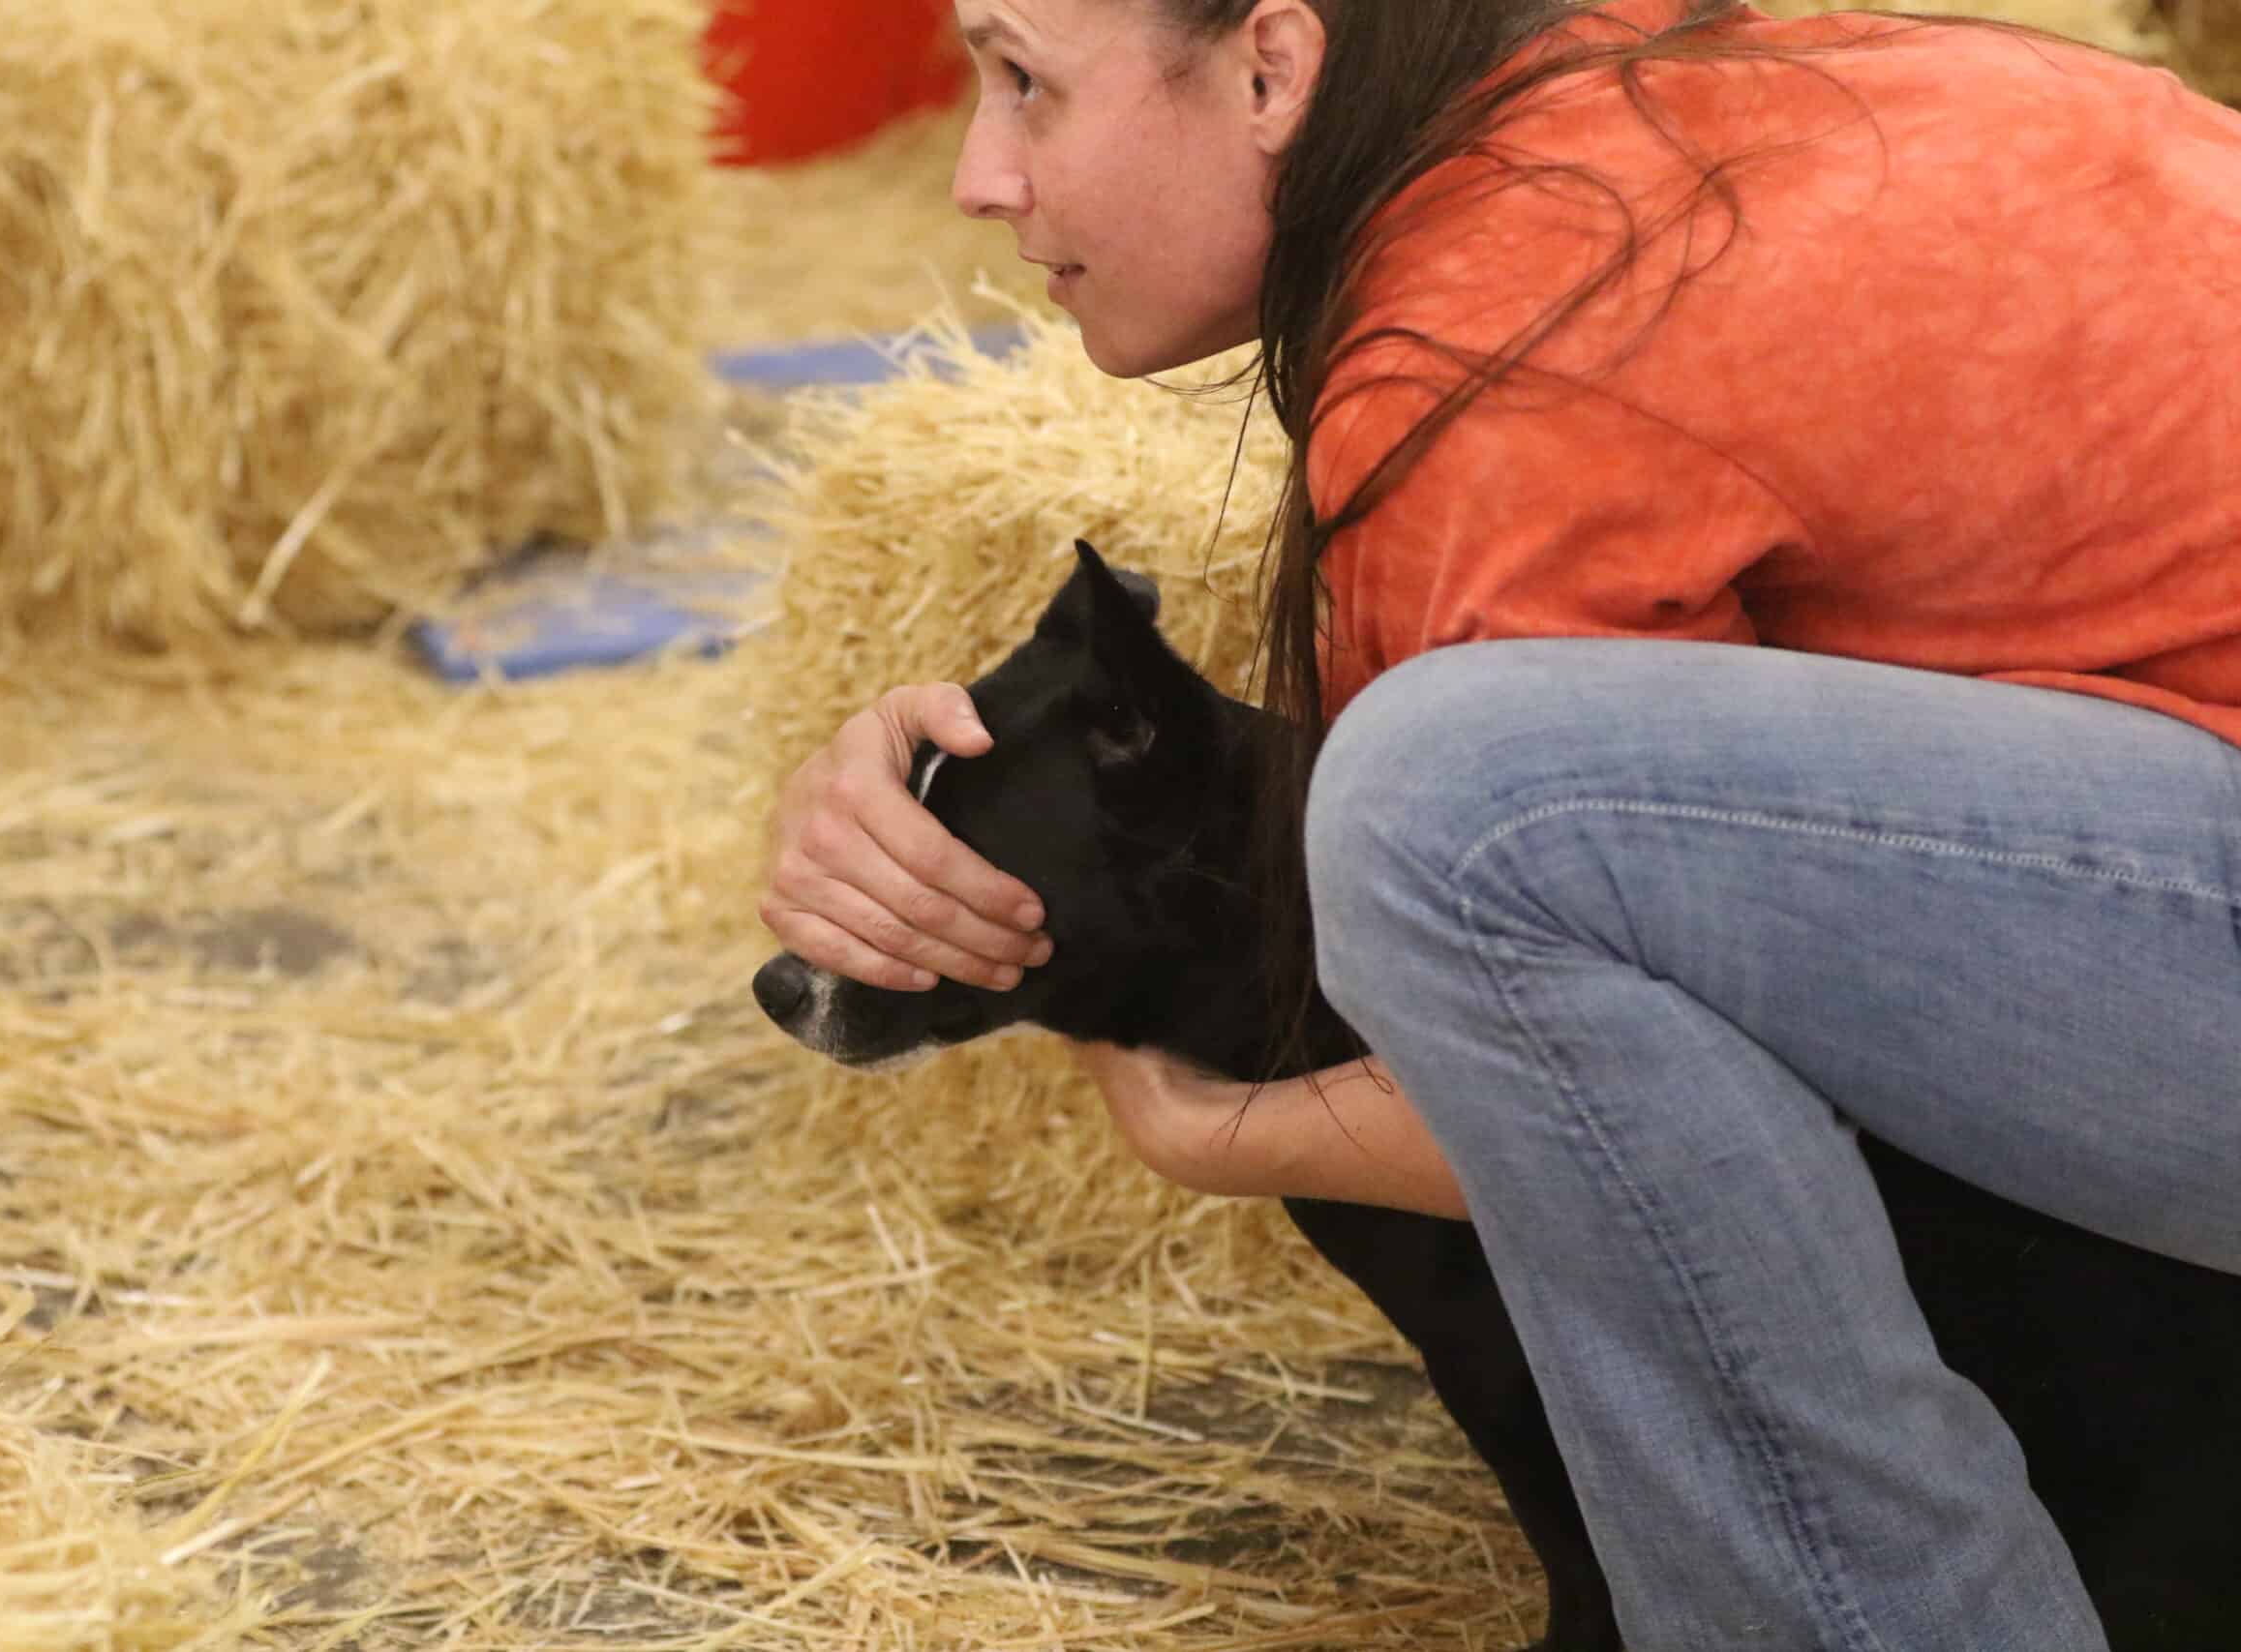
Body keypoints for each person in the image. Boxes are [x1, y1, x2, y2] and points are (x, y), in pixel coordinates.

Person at [759, 0, 2241, 1643]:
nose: (978, 174)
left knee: (1453, 802)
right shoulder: (1657, 95)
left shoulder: (1492, 354)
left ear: (1272, 68)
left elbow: (1551, 1093)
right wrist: (932, 784)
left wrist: (1211, 1132)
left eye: (1026, 81)